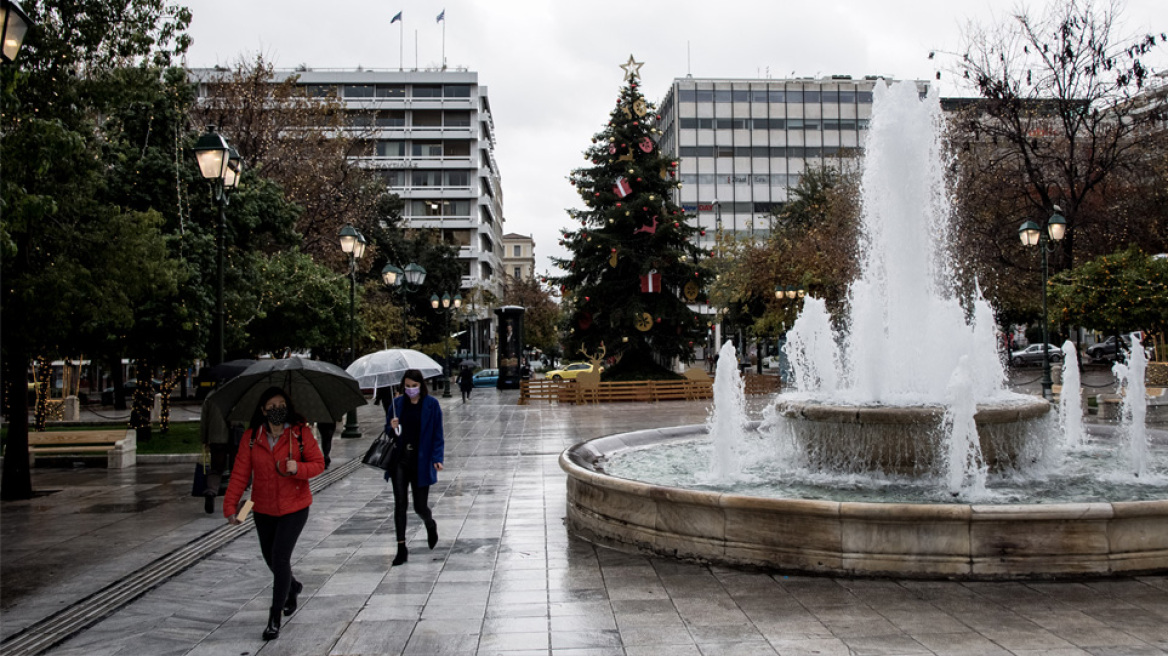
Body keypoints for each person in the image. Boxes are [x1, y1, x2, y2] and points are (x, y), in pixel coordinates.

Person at [223, 386, 325, 641]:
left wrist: (297, 467)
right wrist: (230, 507)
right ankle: (293, 587)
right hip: (263, 507)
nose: (277, 410)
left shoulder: (300, 434)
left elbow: (319, 464)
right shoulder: (251, 438)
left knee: (280, 559)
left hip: (295, 507)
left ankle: (274, 617)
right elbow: (239, 475)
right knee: (270, 558)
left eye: (281, 405)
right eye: (271, 406)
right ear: (262, 410)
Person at [385, 369, 444, 566]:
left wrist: (437, 457)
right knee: (400, 504)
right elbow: (389, 433)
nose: (411, 390)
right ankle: (401, 548)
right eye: (407, 386)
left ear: (421, 385)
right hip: (400, 460)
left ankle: (429, 523)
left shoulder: (432, 405)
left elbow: (437, 433)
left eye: (414, 386)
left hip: (421, 460)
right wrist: (392, 427)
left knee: (420, 506)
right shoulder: (397, 405)